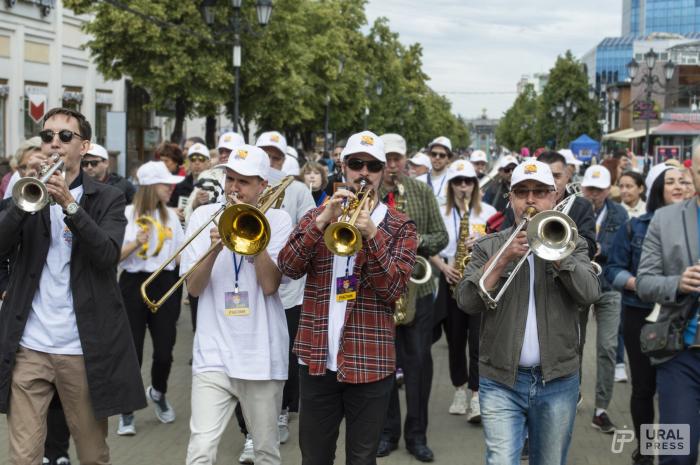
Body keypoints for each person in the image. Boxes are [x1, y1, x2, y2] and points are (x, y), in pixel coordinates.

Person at [0, 107, 146, 464]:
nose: (54, 143)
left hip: (82, 347)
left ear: (84, 146)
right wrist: (22, 202)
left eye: (65, 137)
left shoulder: (107, 197)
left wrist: (69, 205)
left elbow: (106, 254)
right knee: (23, 457)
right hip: (30, 345)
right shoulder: (24, 192)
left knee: (93, 454)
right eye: (47, 136)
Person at [278, 130, 418, 465]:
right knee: (314, 457)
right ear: (343, 167)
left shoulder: (400, 227)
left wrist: (371, 236)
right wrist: (322, 220)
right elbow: (288, 267)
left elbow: (393, 290)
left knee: (361, 458)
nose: (364, 172)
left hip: (369, 361)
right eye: (357, 164)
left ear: (384, 171)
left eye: (373, 165)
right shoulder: (319, 214)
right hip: (315, 360)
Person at [456, 160, 600, 465]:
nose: (531, 200)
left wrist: (560, 255)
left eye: (539, 192)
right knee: (501, 459)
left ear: (554, 197)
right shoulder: (488, 245)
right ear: (510, 199)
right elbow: (467, 301)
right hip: (500, 380)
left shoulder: (574, 244)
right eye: (522, 192)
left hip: (558, 380)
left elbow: (590, 294)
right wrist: (503, 256)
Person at [182, 144, 292, 465]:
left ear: (263, 186)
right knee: (200, 450)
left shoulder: (280, 220)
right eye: (230, 178)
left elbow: (270, 285)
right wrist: (214, 248)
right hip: (212, 354)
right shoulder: (204, 217)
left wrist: (255, 240)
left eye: (244, 181)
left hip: (261, 355)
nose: (234, 187)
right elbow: (194, 287)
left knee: (265, 452)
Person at [232, 130, 315, 463]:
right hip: (242, 299)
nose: (272, 158)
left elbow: (306, 228)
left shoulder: (296, 190)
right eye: (266, 152)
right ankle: (251, 431)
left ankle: (281, 411)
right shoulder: (238, 195)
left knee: (286, 353)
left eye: (276, 155)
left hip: (289, 289)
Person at [605, 163, 686, 465]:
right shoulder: (636, 226)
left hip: (681, 318)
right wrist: (640, 283)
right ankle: (645, 450)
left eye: (684, 182)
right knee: (643, 387)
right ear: (656, 190)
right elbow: (612, 269)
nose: (679, 188)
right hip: (641, 316)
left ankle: (671, 452)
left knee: (672, 389)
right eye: (670, 182)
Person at [376, 133, 448, 462]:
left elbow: (441, 236)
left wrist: (414, 241)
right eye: (386, 159)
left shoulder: (420, 191)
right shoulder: (370, 194)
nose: (392, 166)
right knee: (384, 366)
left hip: (418, 291)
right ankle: (388, 431)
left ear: (405, 160)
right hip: (380, 294)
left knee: (418, 365)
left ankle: (417, 435)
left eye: (397, 159)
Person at [636, 146, 700, 465]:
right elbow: (645, 282)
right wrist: (678, 283)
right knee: (677, 454)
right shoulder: (664, 218)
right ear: (694, 176)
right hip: (679, 354)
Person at [116, 161, 186, 436]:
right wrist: (136, 243)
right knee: (132, 350)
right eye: (164, 184)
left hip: (164, 283)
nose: (170, 189)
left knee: (165, 351)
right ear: (149, 187)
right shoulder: (126, 214)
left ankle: (158, 392)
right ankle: (127, 410)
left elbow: (181, 255)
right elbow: (114, 258)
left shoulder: (171, 216)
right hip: (133, 284)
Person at [430, 160, 495, 423]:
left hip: (479, 283)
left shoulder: (489, 212)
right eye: (458, 182)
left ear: (475, 185)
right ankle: (459, 389)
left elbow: (502, 247)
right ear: (451, 186)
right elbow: (427, 245)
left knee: (479, 342)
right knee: (456, 342)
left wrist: (483, 241)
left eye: (468, 181)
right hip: (451, 282)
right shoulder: (441, 212)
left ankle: (477, 395)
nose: (463, 186)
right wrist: (443, 267)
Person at [580, 164, 628, 433]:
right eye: (590, 188)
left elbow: (623, 249)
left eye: (599, 189)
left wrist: (602, 248)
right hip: (577, 285)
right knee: (572, 346)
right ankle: (570, 394)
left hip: (609, 287)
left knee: (608, 348)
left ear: (609, 190)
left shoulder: (620, 214)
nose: (594, 194)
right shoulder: (574, 209)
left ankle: (601, 409)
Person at [417, 136, 455, 207]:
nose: (437, 157)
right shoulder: (418, 181)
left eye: (442, 155)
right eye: (434, 154)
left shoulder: (455, 180)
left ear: (448, 158)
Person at [2, 136, 42, 200]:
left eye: (38, 166)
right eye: (24, 167)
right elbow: (5, 208)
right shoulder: (17, 177)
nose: (29, 172)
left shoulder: (58, 178)